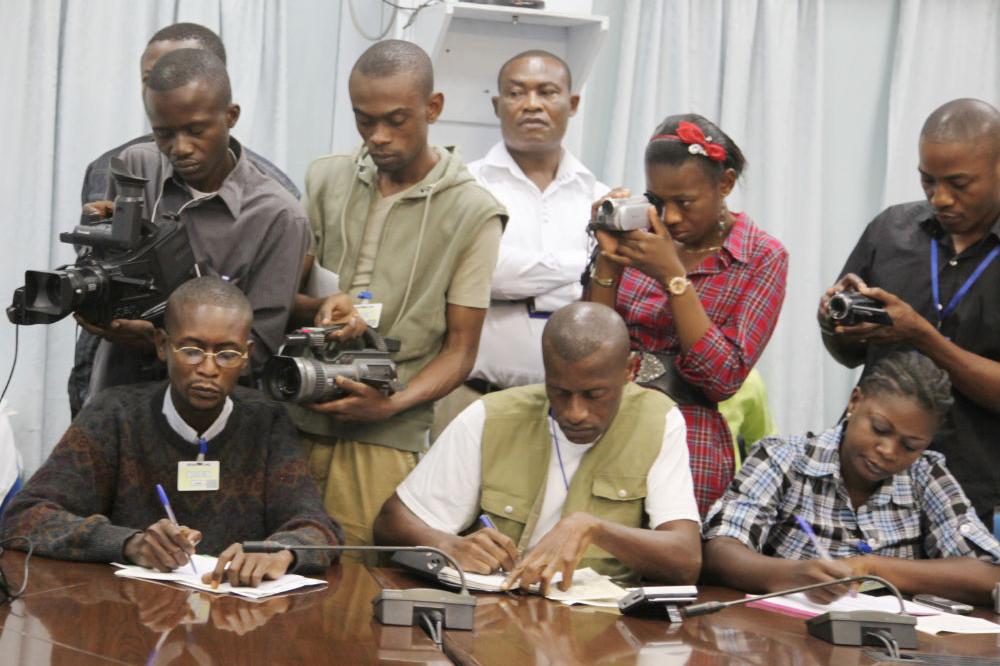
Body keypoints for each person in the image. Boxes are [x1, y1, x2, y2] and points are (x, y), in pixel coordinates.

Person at [291, 40, 506, 548]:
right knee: (276, 573)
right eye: (364, 120)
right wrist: (320, 308)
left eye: (396, 120)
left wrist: (392, 405)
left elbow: (461, 351)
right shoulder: (326, 177)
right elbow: (283, 297)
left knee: (359, 580)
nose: (378, 137)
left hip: (385, 438)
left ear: (433, 108)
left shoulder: (474, 211)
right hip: (297, 417)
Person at [1, 277, 342, 587]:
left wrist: (282, 551)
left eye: (227, 354)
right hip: (131, 617)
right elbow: (25, 517)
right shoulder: (114, 415)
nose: (208, 368)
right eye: (191, 350)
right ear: (162, 344)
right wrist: (129, 543)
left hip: (235, 620)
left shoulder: (267, 422)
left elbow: (317, 527)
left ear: (246, 356)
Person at [374, 302, 701, 592]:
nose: (575, 412)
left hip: (602, 627)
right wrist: (447, 545)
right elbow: (391, 523)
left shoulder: (657, 421)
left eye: (594, 395)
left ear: (629, 371)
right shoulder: (492, 416)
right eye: (560, 392)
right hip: (495, 615)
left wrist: (595, 529)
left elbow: (685, 561)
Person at [69, 22, 300, 417]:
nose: (180, 149)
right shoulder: (134, 168)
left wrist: (160, 338)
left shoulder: (278, 215)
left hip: (209, 421)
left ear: (231, 115)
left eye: (196, 130)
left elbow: (257, 350)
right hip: (116, 404)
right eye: (164, 134)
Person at [587, 114, 788, 515]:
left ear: (725, 184)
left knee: (669, 551)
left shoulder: (760, 256)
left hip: (689, 444)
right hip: (610, 426)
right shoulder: (640, 238)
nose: (671, 217)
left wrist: (673, 278)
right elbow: (588, 347)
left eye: (685, 202)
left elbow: (723, 377)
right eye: (658, 200)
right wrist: (608, 260)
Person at [819, 99, 1000, 527]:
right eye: (927, 180)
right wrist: (833, 322)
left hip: (975, 490)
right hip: (868, 481)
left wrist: (922, 336)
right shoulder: (891, 230)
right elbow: (849, 355)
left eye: (959, 183)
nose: (941, 198)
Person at [702, 351, 1000, 606]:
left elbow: (990, 574)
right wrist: (792, 575)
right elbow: (719, 551)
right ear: (855, 402)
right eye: (879, 429)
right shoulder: (783, 459)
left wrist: (873, 567)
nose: (888, 451)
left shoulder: (925, 475)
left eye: (910, 446)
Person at [431, 51, 609, 437]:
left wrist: (521, 279)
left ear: (572, 104)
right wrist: (585, 265)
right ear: (497, 105)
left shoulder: (599, 196)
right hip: (472, 399)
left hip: (569, 411)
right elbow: (485, 275)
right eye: (516, 93)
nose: (532, 104)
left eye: (547, 92)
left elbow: (607, 296)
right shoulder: (465, 186)